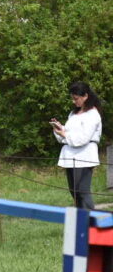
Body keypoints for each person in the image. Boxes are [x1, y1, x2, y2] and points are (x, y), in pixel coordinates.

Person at [52, 81, 102, 210]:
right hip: (70, 155)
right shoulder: (73, 114)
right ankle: (81, 218)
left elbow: (83, 138)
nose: (74, 101)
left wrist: (64, 134)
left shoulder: (93, 114)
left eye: (76, 98)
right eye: (72, 98)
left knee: (82, 191)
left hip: (84, 155)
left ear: (85, 96)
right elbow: (67, 135)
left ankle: (92, 218)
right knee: (74, 191)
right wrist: (60, 129)